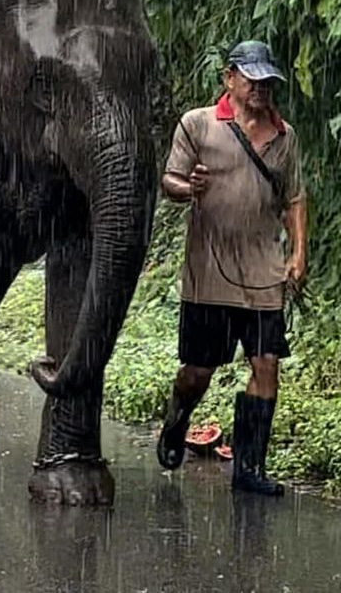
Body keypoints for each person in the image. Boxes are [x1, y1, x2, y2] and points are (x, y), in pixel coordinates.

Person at [157, 40, 306, 496]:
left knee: (266, 365)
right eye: (251, 77)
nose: (259, 87)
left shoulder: (285, 136)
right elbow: (169, 181)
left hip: (264, 272)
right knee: (198, 371)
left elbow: (295, 198)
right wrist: (190, 187)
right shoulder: (198, 124)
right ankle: (177, 418)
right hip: (210, 273)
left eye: (266, 80)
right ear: (230, 79)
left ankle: (249, 468)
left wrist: (298, 253)